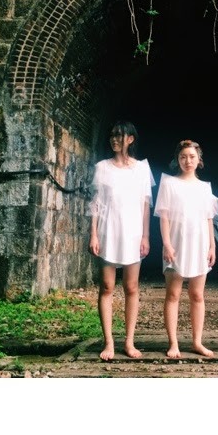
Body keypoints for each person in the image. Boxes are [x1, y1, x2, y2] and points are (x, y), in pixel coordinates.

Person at [88, 120, 154, 361]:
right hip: (108, 230)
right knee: (107, 286)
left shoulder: (141, 169)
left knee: (131, 287)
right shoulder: (102, 168)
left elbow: (145, 205)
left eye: (119, 135)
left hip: (133, 232)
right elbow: (95, 203)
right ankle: (108, 342)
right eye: (112, 135)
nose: (114, 139)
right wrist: (93, 234)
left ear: (130, 139)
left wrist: (145, 236)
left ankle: (129, 341)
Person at [154, 140, 218, 359]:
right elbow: (164, 217)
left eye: (192, 156)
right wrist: (167, 244)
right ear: (178, 159)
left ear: (199, 159)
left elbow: (208, 218)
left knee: (197, 294)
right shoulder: (169, 183)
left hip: (199, 243)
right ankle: (173, 343)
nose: (188, 161)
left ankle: (197, 342)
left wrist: (212, 246)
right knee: (173, 294)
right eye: (183, 157)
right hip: (176, 243)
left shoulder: (204, 187)